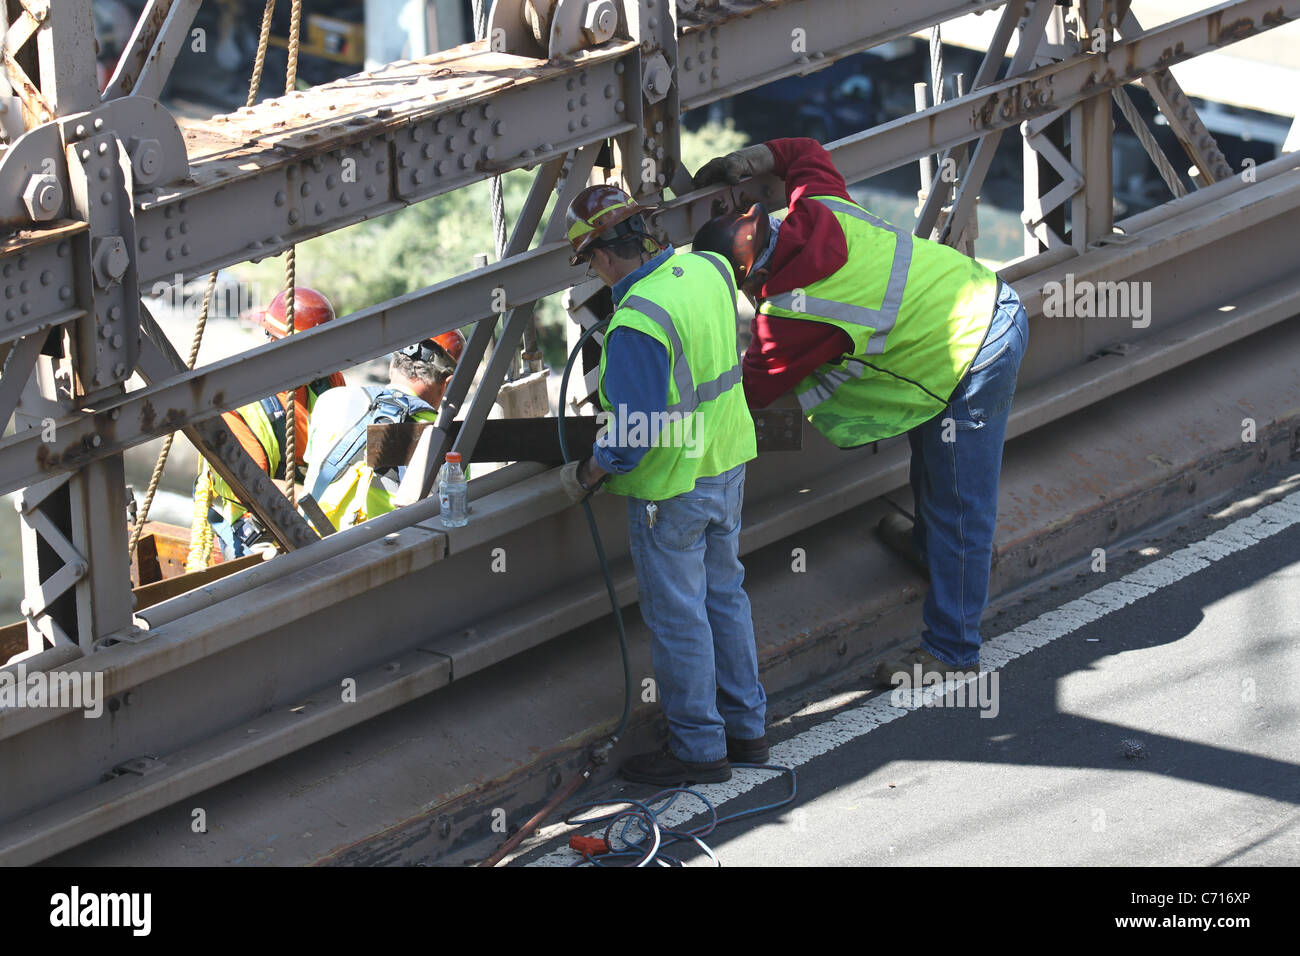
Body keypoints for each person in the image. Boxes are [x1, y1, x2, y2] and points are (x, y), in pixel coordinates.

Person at [692, 138, 1029, 685]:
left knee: (960, 500)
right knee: (934, 464)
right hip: (974, 304)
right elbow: (803, 152)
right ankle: (931, 553)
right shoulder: (819, 205)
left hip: (975, 346)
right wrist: (749, 162)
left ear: (748, 278)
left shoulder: (791, 320)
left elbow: (744, 396)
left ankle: (952, 651)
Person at [559, 183, 767, 786]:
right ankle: (746, 729)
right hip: (727, 462)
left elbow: (629, 439)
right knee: (725, 595)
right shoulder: (707, 269)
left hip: (671, 488)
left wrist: (587, 474)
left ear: (600, 257)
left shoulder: (635, 323)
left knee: (679, 617)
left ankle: (700, 750)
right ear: (647, 230)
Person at [207, 287, 345, 558]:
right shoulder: (240, 402)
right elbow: (255, 489)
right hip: (251, 519)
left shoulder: (328, 381)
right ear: (274, 343)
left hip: (314, 503)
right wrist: (319, 497)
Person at [304, 331, 465, 531]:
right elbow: (452, 510)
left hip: (312, 543)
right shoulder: (443, 434)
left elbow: (310, 470)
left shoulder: (330, 400)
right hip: (382, 549)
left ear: (392, 367)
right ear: (448, 383)